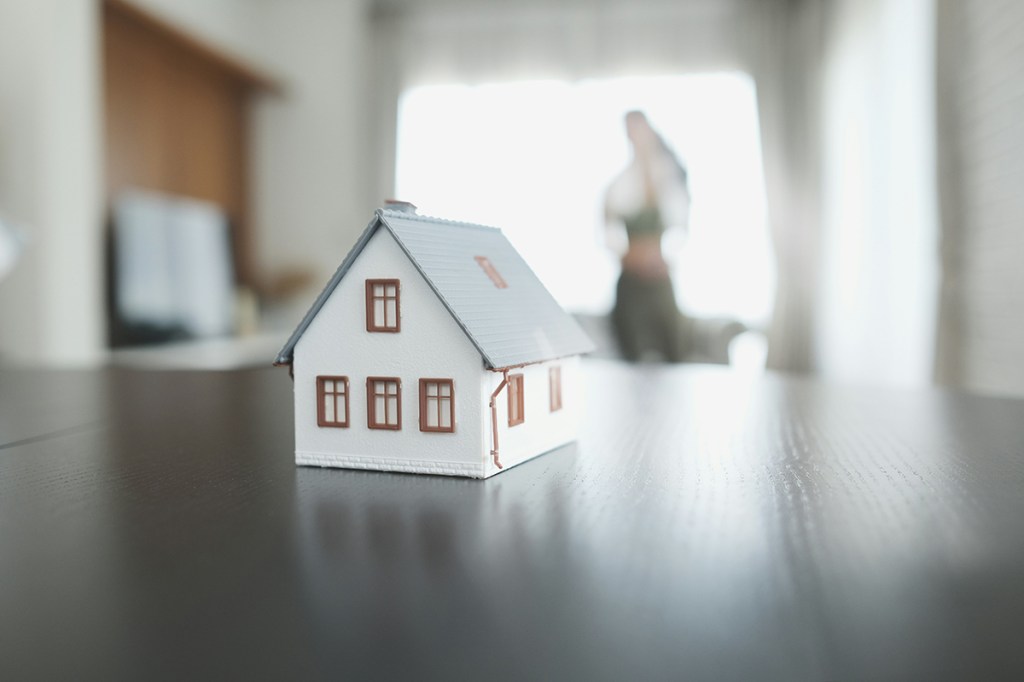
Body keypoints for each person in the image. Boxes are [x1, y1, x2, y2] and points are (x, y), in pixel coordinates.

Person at [604, 111, 691, 362]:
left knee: (675, 350)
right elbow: (607, 234)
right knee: (629, 354)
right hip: (630, 284)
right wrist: (628, 256)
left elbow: (682, 229)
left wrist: (664, 258)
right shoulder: (619, 185)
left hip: (660, 281)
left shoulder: (669, 180)